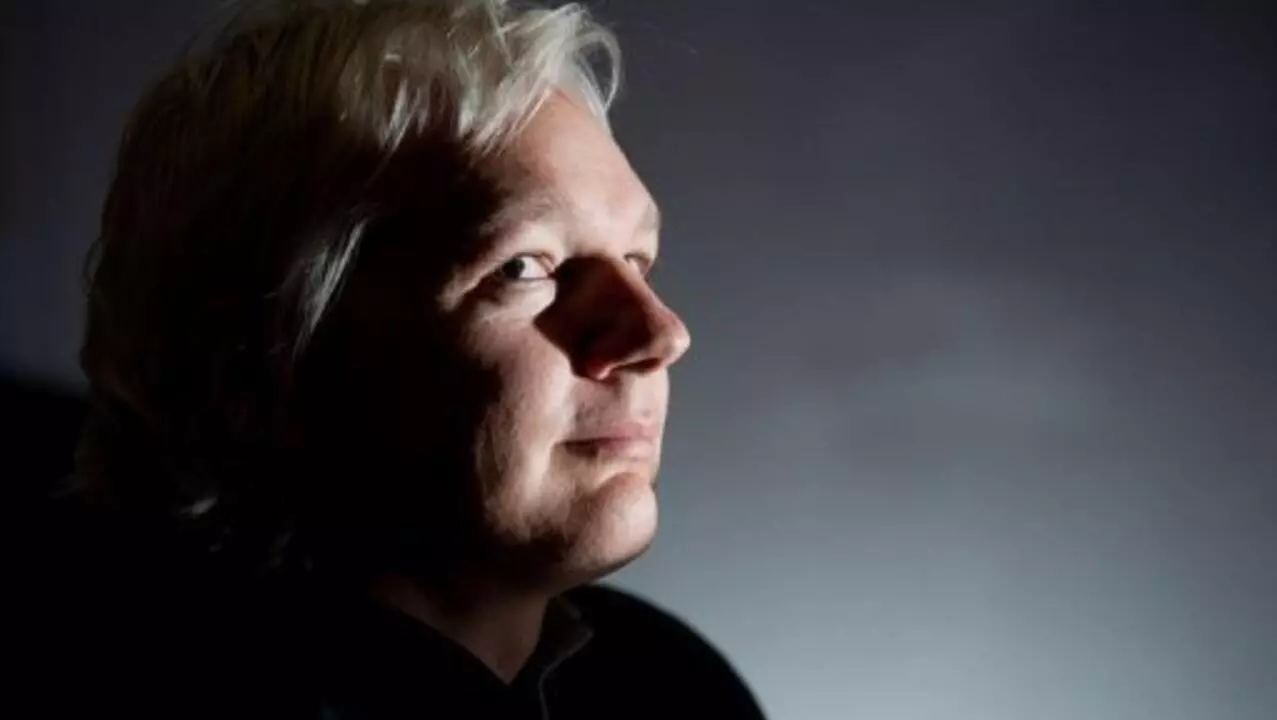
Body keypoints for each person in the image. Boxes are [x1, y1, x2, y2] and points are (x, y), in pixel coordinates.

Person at [26, 1, 766, 718]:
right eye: (523, 268)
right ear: (265, 346)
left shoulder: (671, 686)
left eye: (639, 259)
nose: (659, 334)